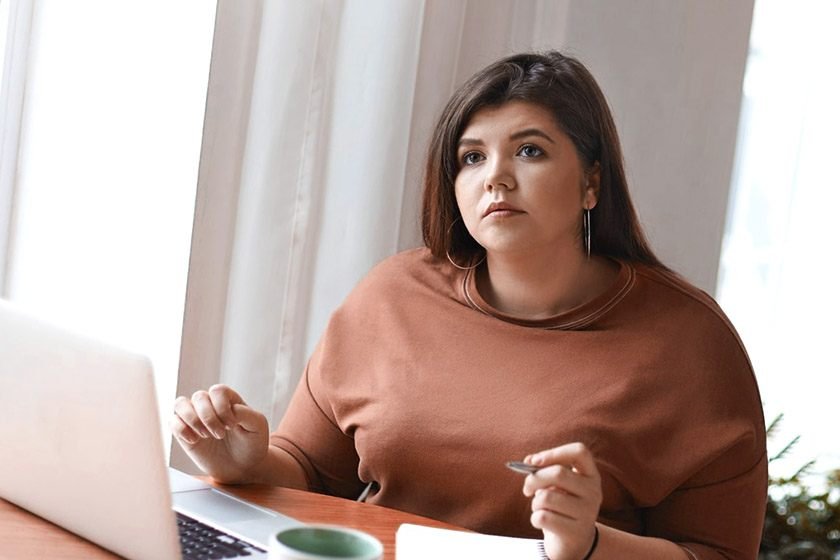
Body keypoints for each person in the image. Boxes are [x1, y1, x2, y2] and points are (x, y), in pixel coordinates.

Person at [172, 51, 767, 560]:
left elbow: (716, 553)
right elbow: (306, 470)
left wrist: (587, 544)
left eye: (529, 151)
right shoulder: (393, 294)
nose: (496, 179)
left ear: (592, 182)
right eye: (472, 157)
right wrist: (244, 462)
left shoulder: (690, 343)